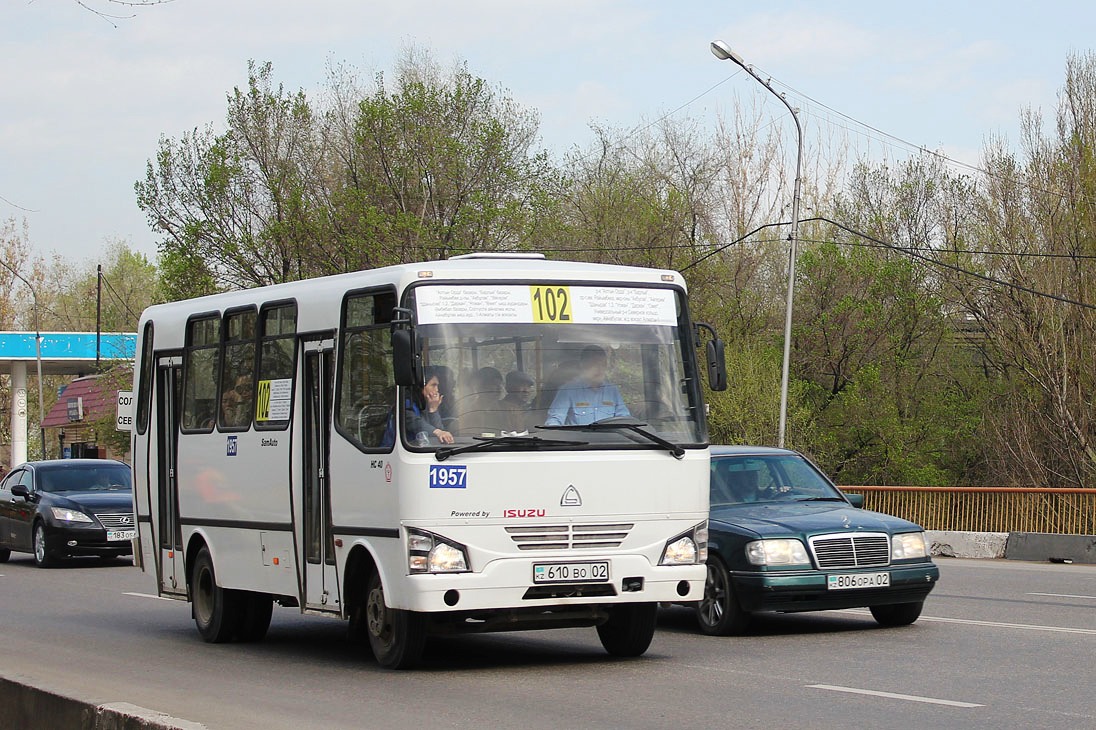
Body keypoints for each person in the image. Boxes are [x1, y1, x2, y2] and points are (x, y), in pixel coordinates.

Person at [544, 345, 630, 426]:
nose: (599, 369)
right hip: (578, 440)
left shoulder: (612, 391)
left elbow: (625, 419)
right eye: (594, 364)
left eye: (603, 364)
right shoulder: (567, 390)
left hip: (610, 440)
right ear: (583, 365)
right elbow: (555, 421)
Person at [405, 366, 455, 445]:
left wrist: (433, 410)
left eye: (437, 386)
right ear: (422, 386)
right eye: (433, 385)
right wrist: (438, 432)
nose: (437, 390)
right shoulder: (406, 404)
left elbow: (441, 433)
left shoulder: (425, 403)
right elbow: (415, 423)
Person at [458, 366, 504, 436]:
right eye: (494, 384)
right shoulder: (470, 412)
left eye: (501, 384)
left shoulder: (506, 409)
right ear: (481, 387)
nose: (499, 389)